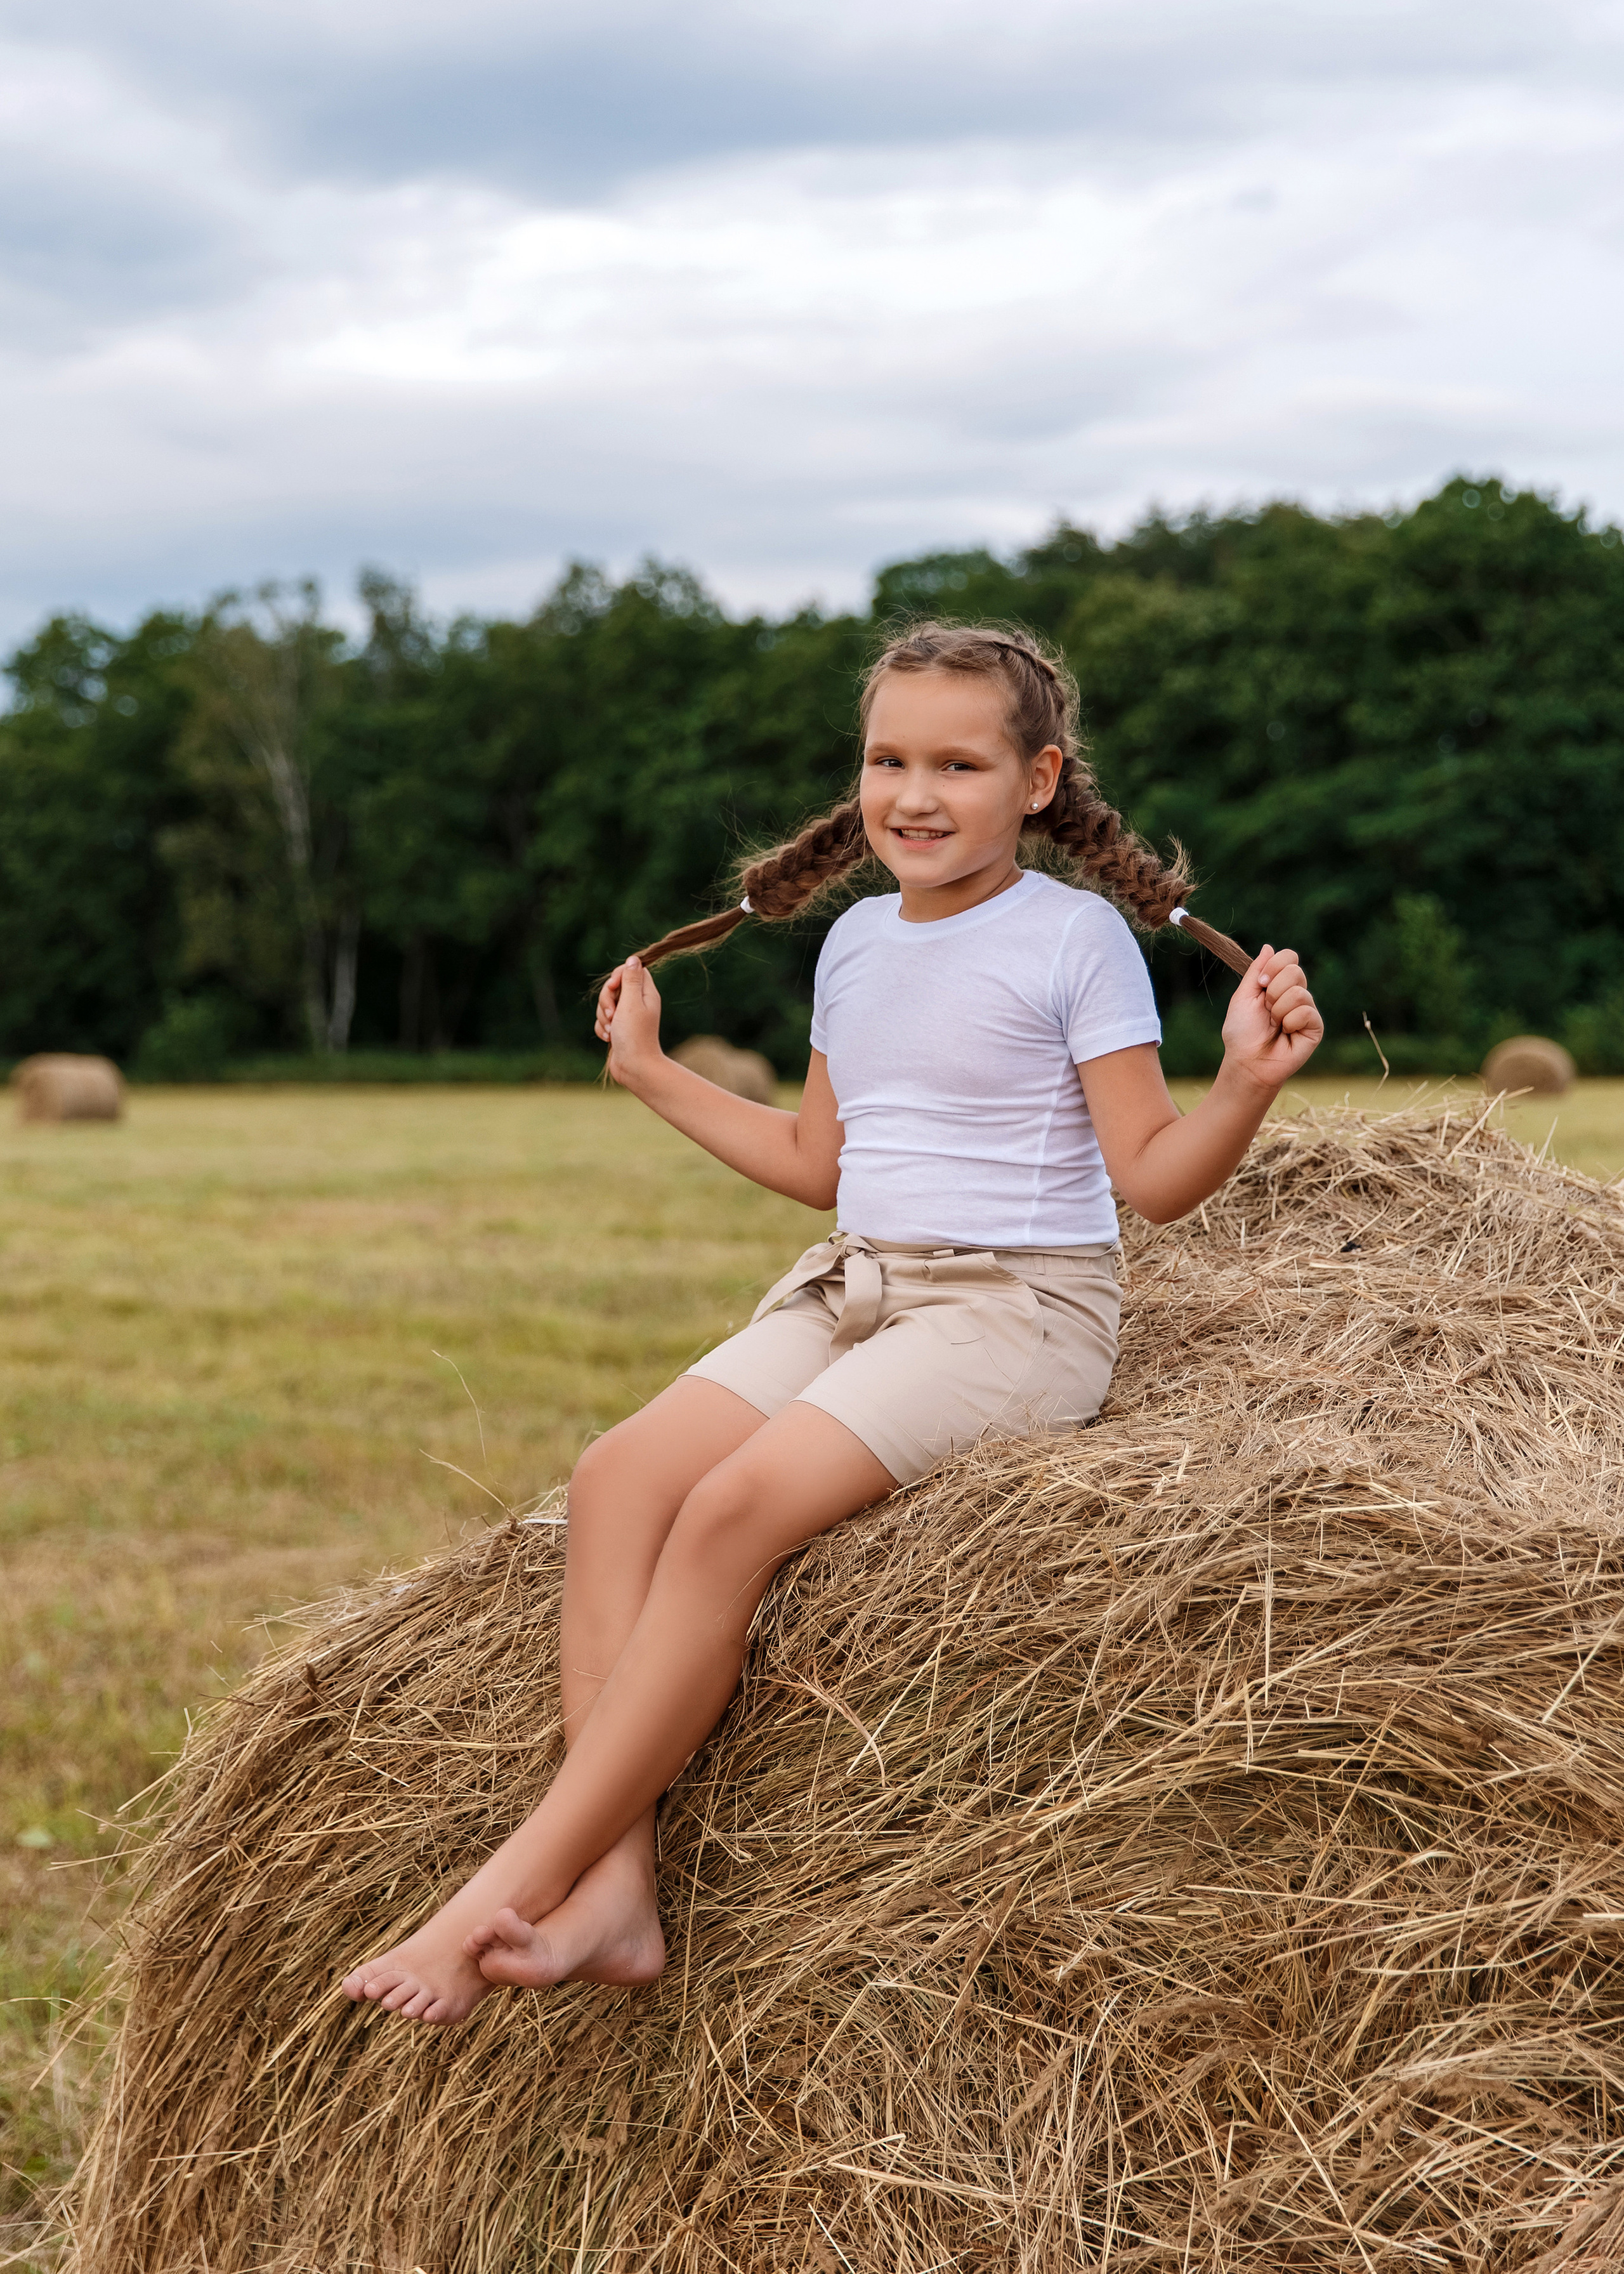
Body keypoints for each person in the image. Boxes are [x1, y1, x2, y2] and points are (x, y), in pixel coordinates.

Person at [342, 619, 1322, 2025]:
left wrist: (1240, 1089)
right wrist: (652, 1072)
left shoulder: (1074, 937)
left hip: (1015, 1306)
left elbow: (1151, 1182)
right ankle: (613, 1888)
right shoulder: (856, 942)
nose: (914, 796)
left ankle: (495, 1892)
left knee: (730, 1511)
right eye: (887, 760)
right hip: (858, 1277)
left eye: (957, 764)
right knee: (621, 1478)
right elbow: (820, 1159)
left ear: (1037, 781)